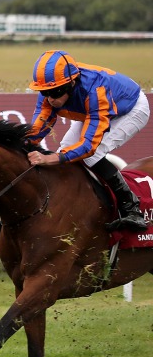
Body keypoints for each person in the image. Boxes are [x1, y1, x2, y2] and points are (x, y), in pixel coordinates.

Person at [26, 49, 150, 232]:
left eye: (56, 92)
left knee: (92, 154)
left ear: (71, 84)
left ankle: (131, 208)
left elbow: (88, 147)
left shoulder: (95, 92)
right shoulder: (49, 91)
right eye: (46, 93)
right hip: (94, 110)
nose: (51, 98)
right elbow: (37, 130)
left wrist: (53, 158)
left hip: (131, 108)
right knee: (67, 148)